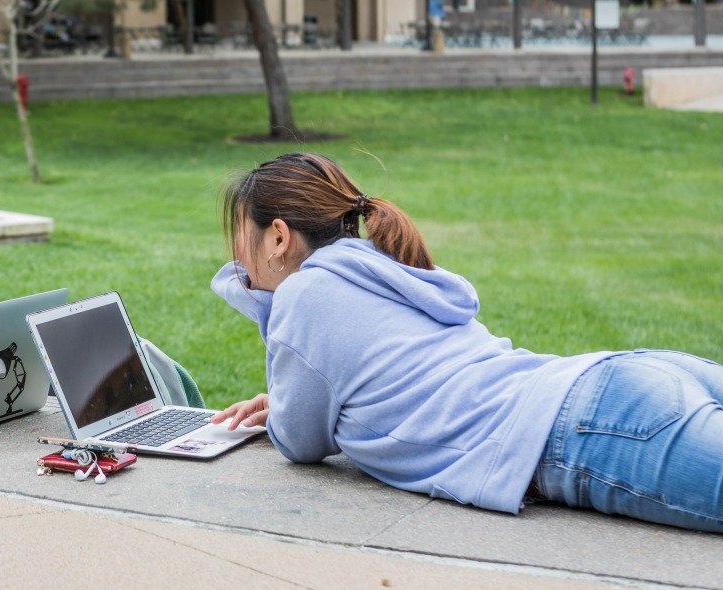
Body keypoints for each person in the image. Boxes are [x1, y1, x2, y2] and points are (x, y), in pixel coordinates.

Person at [209, 152, 723, 533]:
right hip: (620, 384)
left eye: (239, 233)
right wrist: (288, 401)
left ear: (278, 236)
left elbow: (299, 442)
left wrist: (262, 304)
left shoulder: (305, 292)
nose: (235, 252)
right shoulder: (381, 264)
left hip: (594, 428)